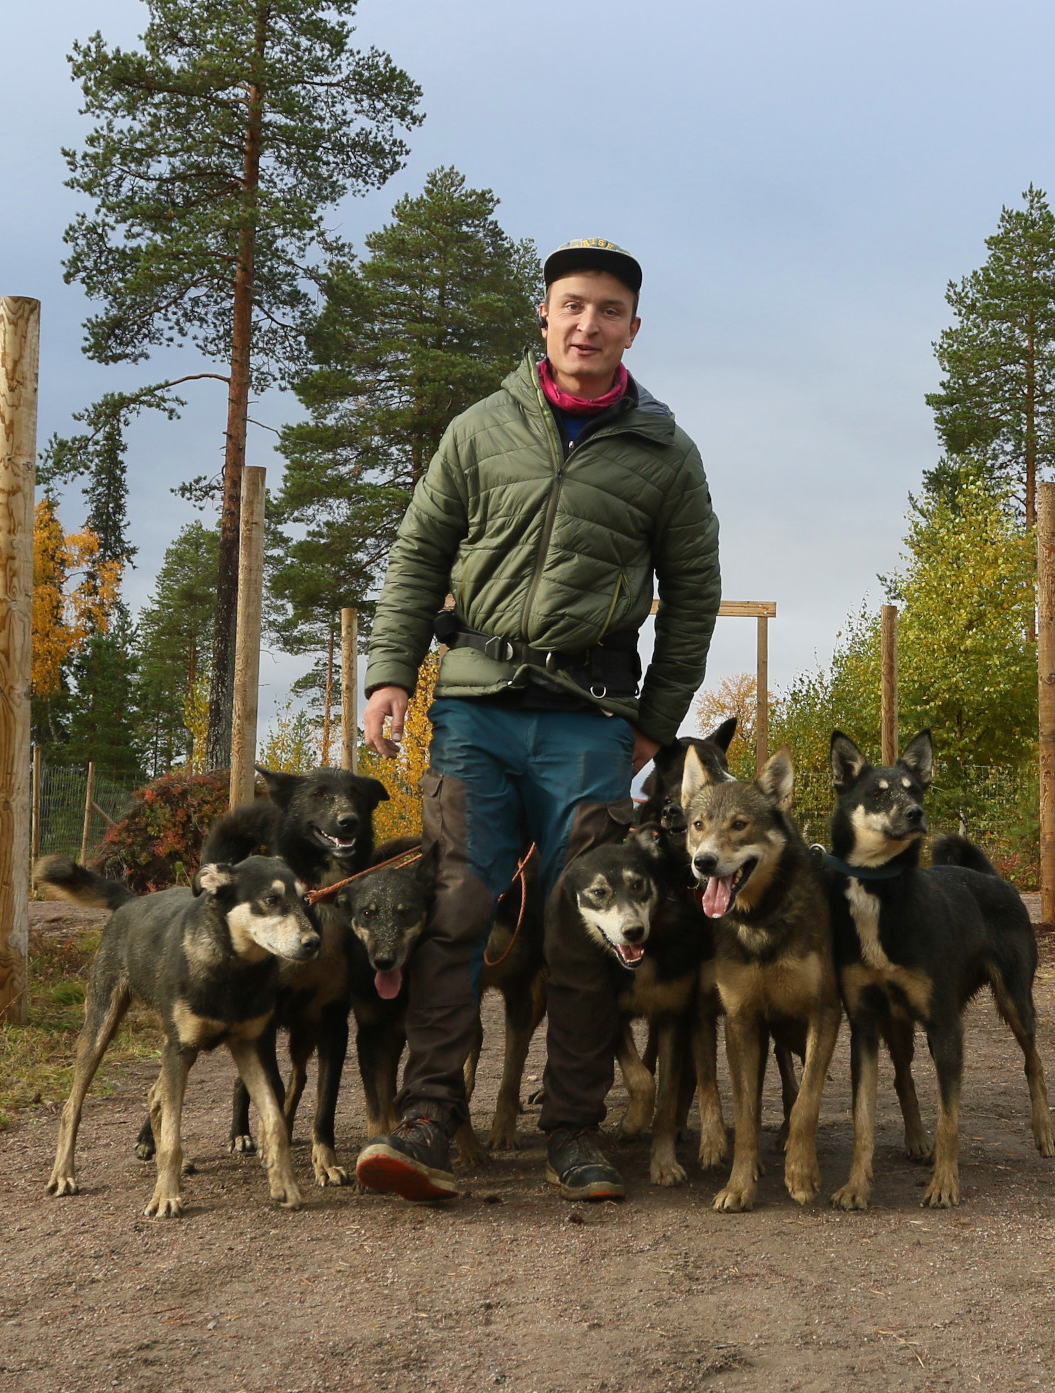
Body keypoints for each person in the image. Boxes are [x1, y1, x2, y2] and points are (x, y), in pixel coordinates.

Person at [353, 238, 722, 1202]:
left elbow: (693, 594)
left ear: (632, 328)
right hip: (473, 705)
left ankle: (573, 1129)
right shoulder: (479, 431)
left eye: (606, 310)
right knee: (458, 906)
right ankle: (431, 1115)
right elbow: (417, 555)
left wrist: (656, 720)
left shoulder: (665, 454)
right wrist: (390, 672)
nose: (586, 324)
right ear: (544, 317)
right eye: (570, 305)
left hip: (589, 718)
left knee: (581, 919)